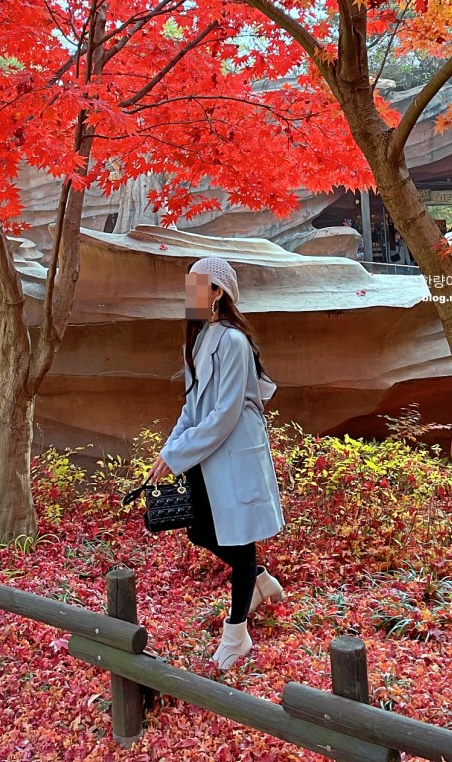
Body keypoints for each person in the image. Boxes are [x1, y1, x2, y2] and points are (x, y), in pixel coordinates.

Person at [145, 256, 285, 671]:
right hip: (206, 455)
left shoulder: (234, 343)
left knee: (239, 541)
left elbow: (224, 414)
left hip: (234, 453)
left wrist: (178, 453)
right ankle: (259, 579)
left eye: (196, 285)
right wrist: (168, 451)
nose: (187, 294)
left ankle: (237, 633)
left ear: (218, 292)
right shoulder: (198, 340)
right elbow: (193, 407)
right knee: (201, 531)